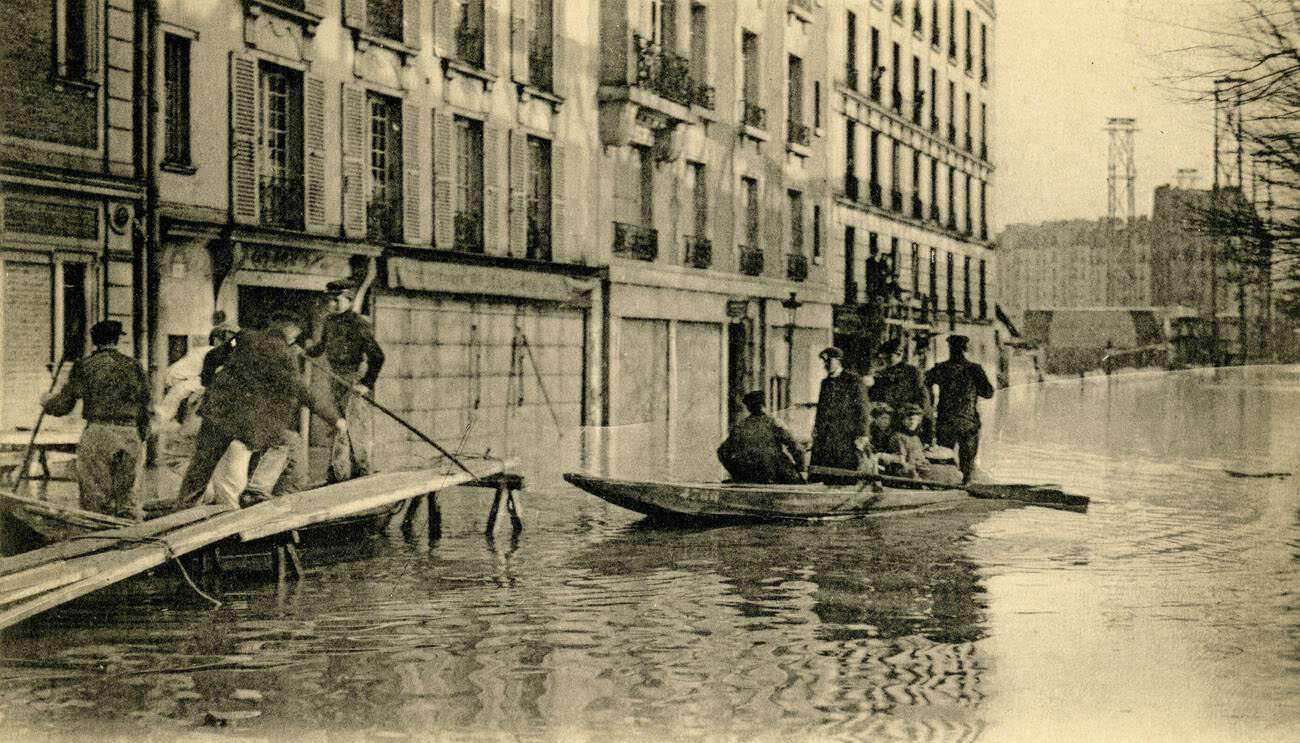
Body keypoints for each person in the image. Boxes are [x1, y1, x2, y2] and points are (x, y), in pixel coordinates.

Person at [178, 311, 344, 509]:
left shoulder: (243, 337)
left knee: (202, 464)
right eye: (296, 334)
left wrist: (208, 384)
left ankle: (183, 507)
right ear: (291, 332)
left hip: (215, 412)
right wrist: (335, 419)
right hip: (245, 422)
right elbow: (300, 390)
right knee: (284, 442)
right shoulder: (284, 353)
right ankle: (256, 491)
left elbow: (212, 357)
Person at [39, 320, 150, 520]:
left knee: (95, 501)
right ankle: (132, 542)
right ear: (117, 339)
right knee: (127, 500)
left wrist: (47, 402)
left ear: (94, 340)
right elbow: (145, 405)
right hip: (130, 433)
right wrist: (141, 436)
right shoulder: (134, 366)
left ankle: (98, 543)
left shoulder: (85, 366)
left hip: (99, 433)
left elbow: (63, 405)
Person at [306, 278, 385, 481]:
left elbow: (377, 356)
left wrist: (365, 384)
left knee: (355, 426)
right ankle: (339, 471)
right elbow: (321, 348)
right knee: (338, 424)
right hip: (335, 377)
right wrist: (305, 351)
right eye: (329, 300)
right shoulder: (329, 322)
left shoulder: (359, 324)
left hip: (352, 378)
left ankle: (361, 471)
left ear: (349, 299)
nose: (331, 304)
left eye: (336, 299)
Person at [924, 334, 994, 483]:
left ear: (950, 349)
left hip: (945, 420)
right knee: (967, 462)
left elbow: (924, 384)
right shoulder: (975, 369)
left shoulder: (941, 368)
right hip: (967, 421)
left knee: (945, 458)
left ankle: (947, 485)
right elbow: (988, 393)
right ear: (965, 349)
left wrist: (930, 403)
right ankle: (965, 485)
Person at [809, 347, 871, 484]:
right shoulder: (825, 383)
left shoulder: (853, 380)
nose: (826, 365)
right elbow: (821, 410)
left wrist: (863, 434)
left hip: (846, 436)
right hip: (826, 436)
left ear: (838, 361)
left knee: (845, 472)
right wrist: (816, 429)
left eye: (829, 361)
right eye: (824, 362)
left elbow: (863, 409)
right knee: (824, 472)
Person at [717, 391, 805, 484]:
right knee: (801, 486)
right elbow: (796, 447)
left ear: (748, 408)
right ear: (764, 405)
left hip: (748, 477)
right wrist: (800, 467)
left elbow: (722, 452)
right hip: (774, 474)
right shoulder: (773, 423)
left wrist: (736, 472)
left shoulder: (740, 427)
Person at [878, 403, 963, 485]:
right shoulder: (898, 437)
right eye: (909, 419)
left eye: (916, 420)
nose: (912, 422)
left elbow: (920, 455)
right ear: (902, 420)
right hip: (910, 469)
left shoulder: (915, 437)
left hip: (921, 466)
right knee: (946, 474)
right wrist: (913, 466)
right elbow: (901, 460)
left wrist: (925, 457)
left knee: (952, 470)